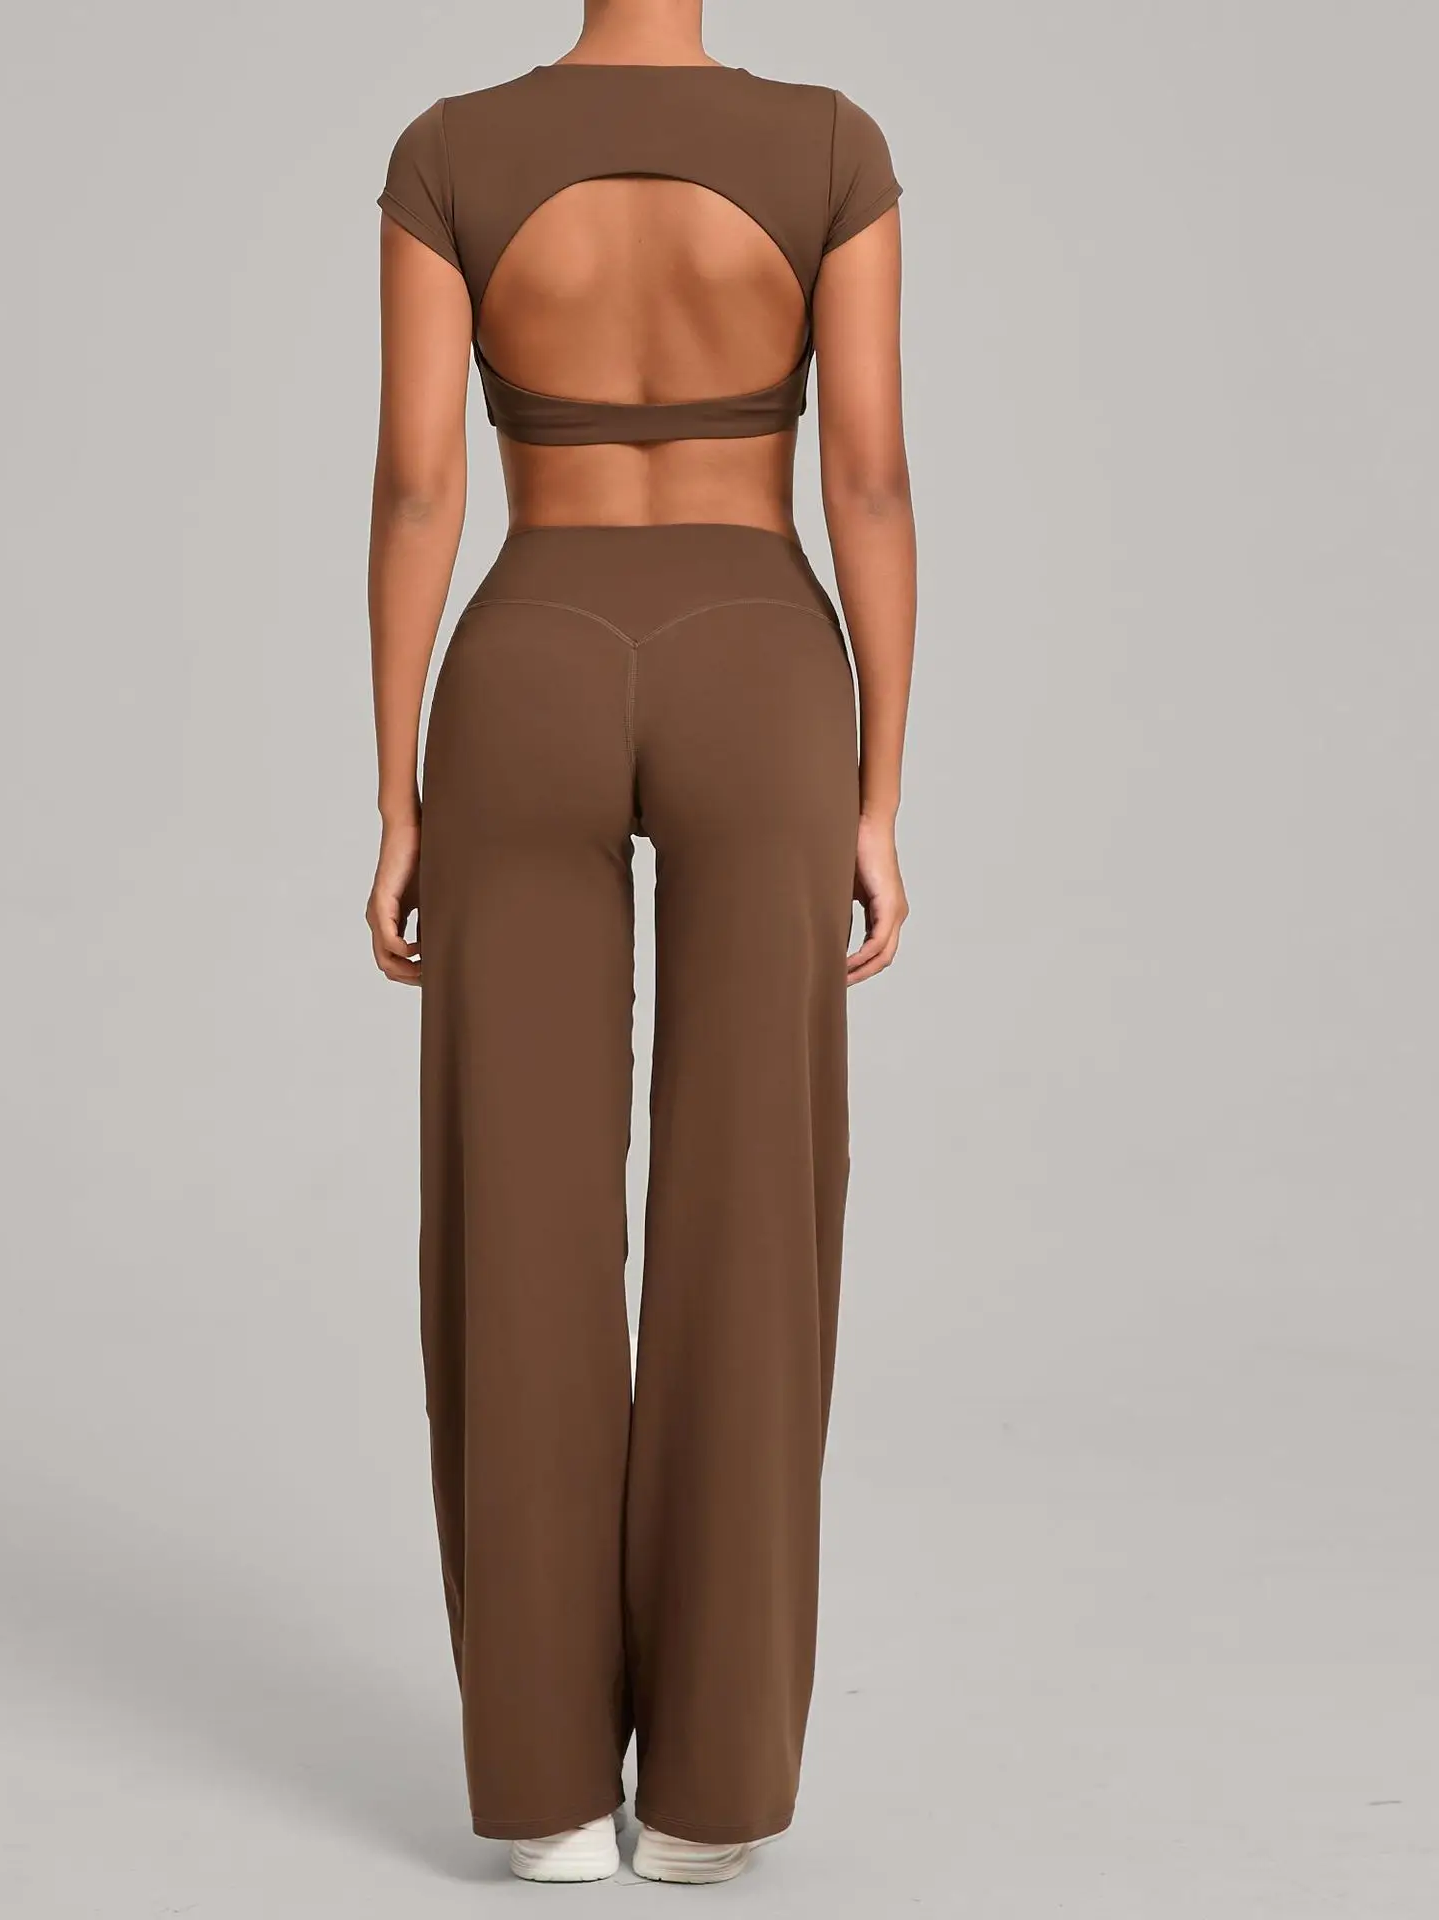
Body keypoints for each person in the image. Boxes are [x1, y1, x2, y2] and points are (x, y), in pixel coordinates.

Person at [365, 0, 914, 1885]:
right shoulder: (830, 145)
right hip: (762, 657)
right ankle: (703, 1804)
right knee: (754, 1215)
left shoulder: (450, 151)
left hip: (527, 650)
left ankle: (539, 1800)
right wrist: (880, 794)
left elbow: (419, 485)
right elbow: (870, 482)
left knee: (514, 1218)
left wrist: (394, 797)